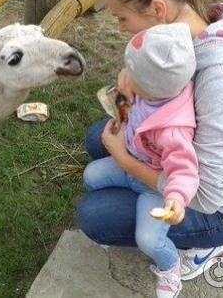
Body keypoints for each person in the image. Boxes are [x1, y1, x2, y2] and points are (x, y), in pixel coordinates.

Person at [77, 0, 223, 295]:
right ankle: (130, 177)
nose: (121, 28)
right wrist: (129, 73)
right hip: (178, 152)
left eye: (123, 19)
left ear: (158, 9)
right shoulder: (190, 21)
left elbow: (209, 195)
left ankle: (209, 245)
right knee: (96, 137)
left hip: (221, 207)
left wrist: (124, 160)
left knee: (94, 215)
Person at [85, 23, 198, 297]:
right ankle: (118, 209)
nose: (125, 79)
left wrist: (176, 198)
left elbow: (184, 169)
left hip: (153, 187)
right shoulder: (156, 91)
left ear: (148, 86)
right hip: (135, 163)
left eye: (130, 74)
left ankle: (170, 266)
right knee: (91, 175)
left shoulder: (174, 130)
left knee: (148, 240)